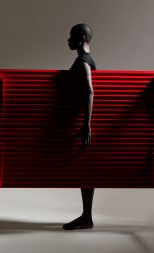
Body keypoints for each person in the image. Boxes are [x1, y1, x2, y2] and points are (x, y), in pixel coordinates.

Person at [63, 23, 96, 230]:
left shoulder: (83, 61)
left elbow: (89, 91)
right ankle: (86, 216)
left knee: (86, 168)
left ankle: (86, 217)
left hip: (78, 124)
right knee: (87, 168)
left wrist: (87, 125)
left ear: (82, 37)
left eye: (72, 36)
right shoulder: (87, 60)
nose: (68, 40)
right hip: (79, 122)